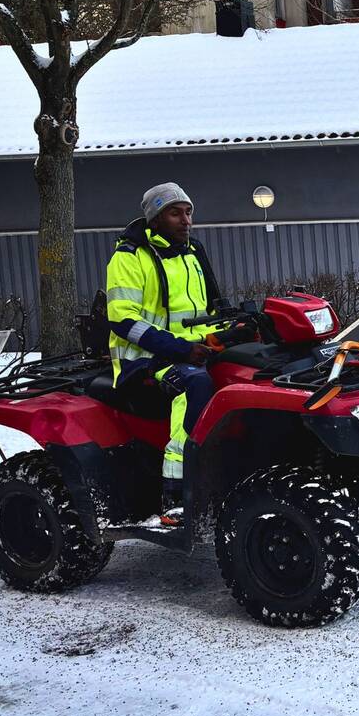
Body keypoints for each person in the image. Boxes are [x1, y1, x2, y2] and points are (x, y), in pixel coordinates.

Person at [106, 183, 225, 523]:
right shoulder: (129, 257)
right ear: (155, 219)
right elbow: (122, 320)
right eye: (175, 213)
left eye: (188, 212)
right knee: (195, 385)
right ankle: (177, 493)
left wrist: (234, 330)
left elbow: (212, 309)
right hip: (143, 358)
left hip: (192, 349)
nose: (185, 220)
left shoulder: (193, 251)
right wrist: (180, 350)